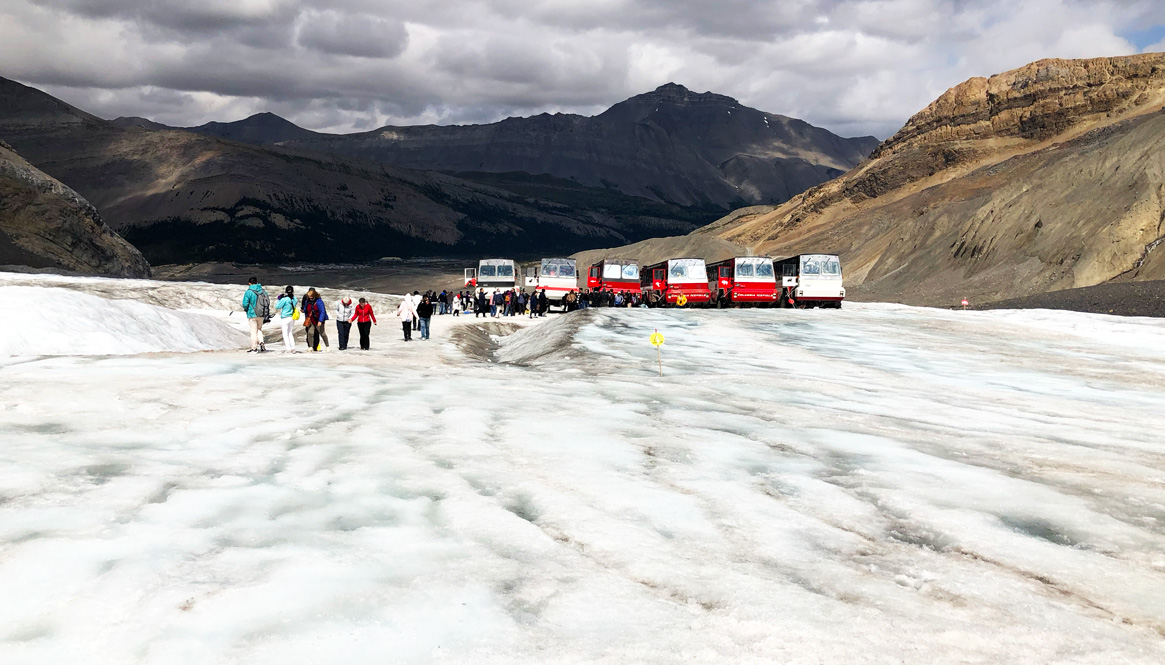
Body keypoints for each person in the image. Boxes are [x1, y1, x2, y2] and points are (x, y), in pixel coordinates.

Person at [241, 276, 268, 353]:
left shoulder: (248, 292)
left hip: (252, 314)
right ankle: (261, 342)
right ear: (257, 282)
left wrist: (246, 309)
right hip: (261, 313)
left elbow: (245, 304)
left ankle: (254, 348)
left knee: (253, 331)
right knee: (259, 329)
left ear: (249, 283)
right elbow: (267, 302)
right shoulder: (263, 291)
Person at [276, 286, 297, 352]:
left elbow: (277, 306)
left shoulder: (284, 299)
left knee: (285, 334)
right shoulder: (294, 299)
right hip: (292, 317)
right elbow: (295, 302)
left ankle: (288, 349)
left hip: (285, 317)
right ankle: (293, 347)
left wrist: (280, 299)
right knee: (290, 333)